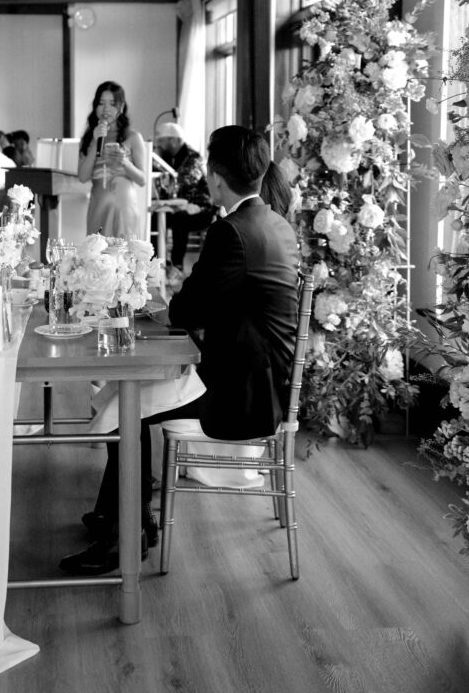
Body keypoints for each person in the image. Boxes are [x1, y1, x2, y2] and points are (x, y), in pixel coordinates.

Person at [60, 126, 300, 575]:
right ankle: (127, 519)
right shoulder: (276, 224)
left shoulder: (231, 231)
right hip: (263, 379)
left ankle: (123, 537)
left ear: (214, 178)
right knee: (129, 397)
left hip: (239, 392)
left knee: (126, 405)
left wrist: (158, 308)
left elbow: (186, 310)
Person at [78, 81, 146, 238]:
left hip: (124, 205)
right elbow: (82, 177)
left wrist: (124, 162)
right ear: (95, 106)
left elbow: (142, 180)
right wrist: (96, 141)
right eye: (101, 103)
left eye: (112, 104)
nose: (106, 109)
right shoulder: (88, 139)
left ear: (121, 107)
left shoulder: (133, 137)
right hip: (98, 203)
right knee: (97, 254)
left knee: (125, 254)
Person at [153, 122, 215, 285]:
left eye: (162, 141)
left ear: (173, 141)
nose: (159, 145)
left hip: (202, 209)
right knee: (154, 218)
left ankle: (177, 266)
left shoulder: (193, 158)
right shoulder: (166, 157)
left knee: (180, 219)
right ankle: (156, 263)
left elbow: (183, 181)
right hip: (176, 207)